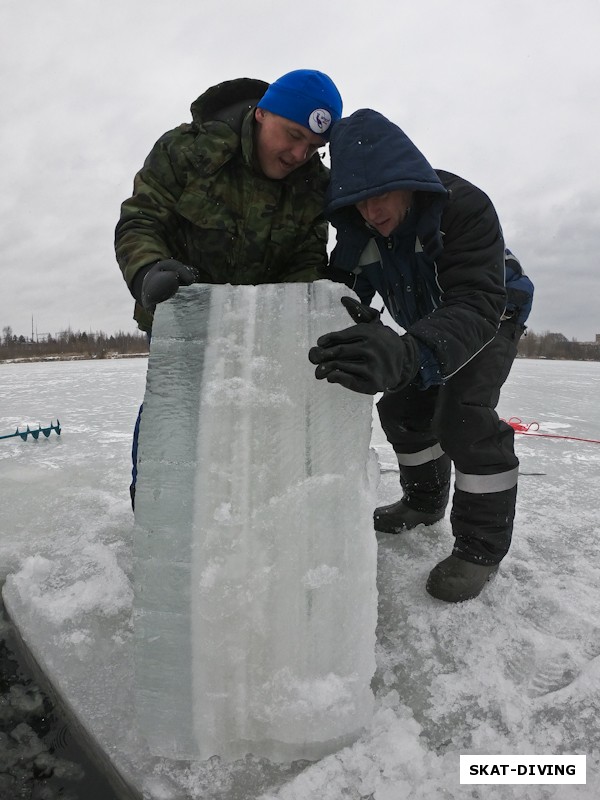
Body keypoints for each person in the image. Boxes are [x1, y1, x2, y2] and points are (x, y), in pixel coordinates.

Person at [309, 108, 534, 603]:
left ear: (406, 178)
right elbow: (337, 293)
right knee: (400, 407)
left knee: (463, 414)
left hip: (492, 314)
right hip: (425, 327)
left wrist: (410, 353)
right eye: (358, 202)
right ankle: (424, 502)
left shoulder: (464, 208)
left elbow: (475, 301)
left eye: (381, 195)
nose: (372, 212)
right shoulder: (360, 233)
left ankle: (480, 549)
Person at [115, 70, 343, 505]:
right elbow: (141, 220)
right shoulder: (187, 151)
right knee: (174, 425)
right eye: (293, 135)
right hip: (182, 319)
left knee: (257, 429)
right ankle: (156, 515)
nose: (299, 154)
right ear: (261, 113)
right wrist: (147, 272)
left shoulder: (314, 186)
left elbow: (307, 261)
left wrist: (307, 314)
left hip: (263, 334)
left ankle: (240, 514)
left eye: (313, 147)